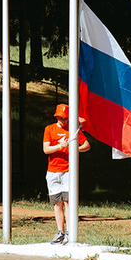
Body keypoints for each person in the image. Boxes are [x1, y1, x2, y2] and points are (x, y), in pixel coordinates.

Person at [43, 103, 90, 244]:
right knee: (57, 203)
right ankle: (60, 233)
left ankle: (70, 232)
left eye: (65, 118)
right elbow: (46, 149)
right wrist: (60, 146)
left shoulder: (74, 130)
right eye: (60, 118)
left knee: (69, 202)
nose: (62, 121)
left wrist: (76, 148)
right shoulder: (49, 129)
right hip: (53, 171)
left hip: (68, 170)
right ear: (56, 117)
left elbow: (87, 145)